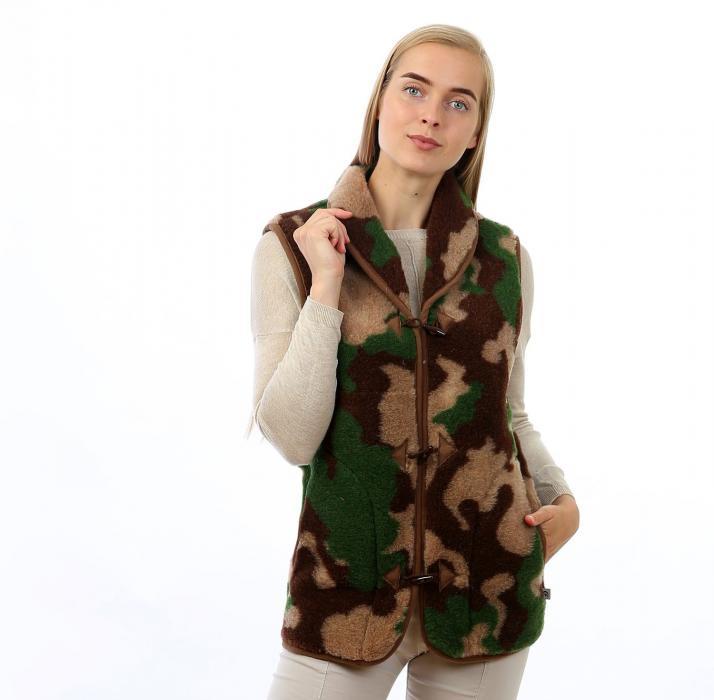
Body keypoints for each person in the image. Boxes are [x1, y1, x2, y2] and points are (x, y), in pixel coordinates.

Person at [247, 23, 580, 700]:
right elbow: (293, 437)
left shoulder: (505, 258)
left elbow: (510, 413)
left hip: (486, 593)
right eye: (414, 90)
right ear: (380, 101)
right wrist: (326, 287)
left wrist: (562, 499)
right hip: (346, 594)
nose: (432, 114)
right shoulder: (292, 244)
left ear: (475, 133)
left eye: (459, 102)